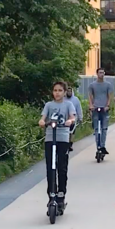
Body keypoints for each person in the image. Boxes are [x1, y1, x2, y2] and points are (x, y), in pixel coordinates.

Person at [39, 82, 76, 211]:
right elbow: (42, 118)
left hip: (63, 138)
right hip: (50, 138)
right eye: (55, 90)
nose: (57, 93)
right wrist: (42, 122)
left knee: (61, 167)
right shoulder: (48, 105)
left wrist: (69, 121)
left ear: (64, 92)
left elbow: (73, 118)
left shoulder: (68, 105)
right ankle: (51, 194)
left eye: (60, 90)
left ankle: (61, 194)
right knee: (50, 168)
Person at [88, 67, 113, 156]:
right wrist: (91, 105)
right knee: (96, 129)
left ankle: (102, 145)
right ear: (97, 74)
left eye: (103, 73)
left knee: (104, 128)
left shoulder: (108, 85)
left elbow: (109, 96)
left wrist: (107, 105)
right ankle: (98, 146)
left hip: (104, 108)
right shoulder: (92, 85)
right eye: (100, 73)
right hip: (95, 108)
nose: (101, 74)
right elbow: (90, 96)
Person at [65, 85, 83, 153]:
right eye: (67, 91)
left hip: (73, 119)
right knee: (66, 132)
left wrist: (80, 117)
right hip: (65, 119)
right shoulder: (63, 99)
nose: (69, 92)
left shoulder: (75, 99)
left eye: (70, 91)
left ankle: (70, 144)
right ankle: (66, 143)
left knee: (72, 132)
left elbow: (79, 109)